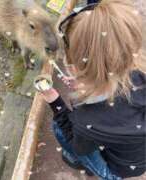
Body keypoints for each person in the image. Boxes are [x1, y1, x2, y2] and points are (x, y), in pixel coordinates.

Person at [41, 0, 146, 179]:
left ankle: (91, 167)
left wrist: (55, 101)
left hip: (119, 170)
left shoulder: (86, 122)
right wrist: (86, 84)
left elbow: (78, 144)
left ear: (74, 68)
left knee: (61, 129)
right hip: (138, 156)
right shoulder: (139, 75)